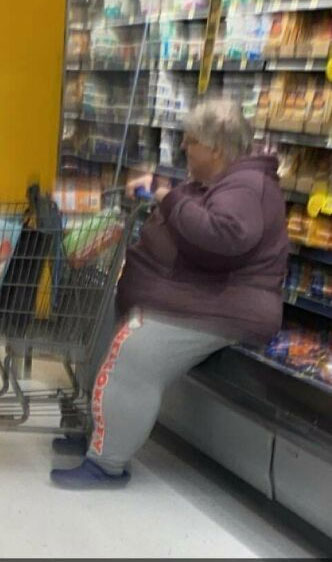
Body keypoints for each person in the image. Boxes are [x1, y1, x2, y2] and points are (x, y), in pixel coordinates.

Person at [51, 98, 289, 489]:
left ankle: (107, 464)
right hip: (196, 296)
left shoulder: (248, 185)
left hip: (224, 306)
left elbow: (224, 237)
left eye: (190, 140)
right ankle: (100, 431)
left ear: (214, 147)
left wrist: (168, 198)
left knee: (134, 354)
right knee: (105, 330)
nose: (183, 147)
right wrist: (162, 190)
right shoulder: (222, 179)